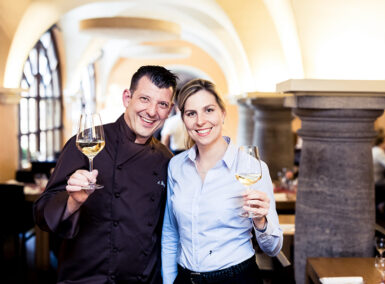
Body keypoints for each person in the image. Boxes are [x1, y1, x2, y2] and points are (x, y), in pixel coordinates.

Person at [34, 65, 178, 284]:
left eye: (162, 104)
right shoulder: (86, 143)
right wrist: (73, 201)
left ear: (170, 110)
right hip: (87, 278)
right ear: (127, 97)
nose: (151, 112)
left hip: (142, 279)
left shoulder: (167, 159)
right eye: (144, 99)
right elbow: (41, 215)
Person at [161, 79, 283, 284]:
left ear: (223, 113)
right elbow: (171, 233)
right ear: (183, 119)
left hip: (237, 278)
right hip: (185, 278)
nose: (200, 121)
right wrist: (169, 281)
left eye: (208, 110)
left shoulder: (253, 168)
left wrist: (261, 221)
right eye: (191, 113)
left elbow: (273, 248)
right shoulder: (176, 166)